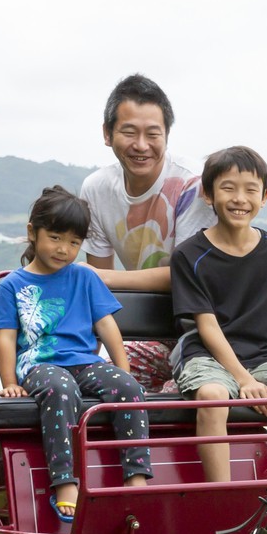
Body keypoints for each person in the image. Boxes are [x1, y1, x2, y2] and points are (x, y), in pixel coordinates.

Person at [0, 186, 153, 522]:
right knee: (62, 389)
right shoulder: (12, 285)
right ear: (32, 233)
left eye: (74, 242)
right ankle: (64, 482)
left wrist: (124, 371)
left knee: (129, 390)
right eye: (55, 237)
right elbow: (6, 338)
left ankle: (135, 475)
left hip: (85, 362)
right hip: (39, 365)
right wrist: (9, 382)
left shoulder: (84, 277)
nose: (65, 249)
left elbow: (107, 328)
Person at [167, 146, 267, 482]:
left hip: (264, 356)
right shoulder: (189, 255)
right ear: (208, 194)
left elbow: (265, 304)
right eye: (228, 188)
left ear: (264, 197)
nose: (240, 199)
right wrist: (244, 379)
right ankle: (221, 492)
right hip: (207, 356)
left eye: (251, 190)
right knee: (212, 396)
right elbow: (206, 324)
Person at [79, 73, 211, 388]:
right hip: (148, 333)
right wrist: (84, 361)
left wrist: (105, 278)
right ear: (107, 133)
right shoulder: (96, 190)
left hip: (203, 333)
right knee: (99, 385)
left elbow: (188, 277)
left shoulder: (194, 183)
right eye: (128, 132)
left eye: (153, 133)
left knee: (175, 396)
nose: (141, 145)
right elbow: (99, 297)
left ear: (167, 135)